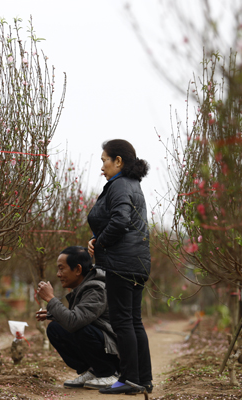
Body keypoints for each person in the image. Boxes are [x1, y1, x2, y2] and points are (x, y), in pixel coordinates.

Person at [87, 139, 153, 395]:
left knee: (123, 322)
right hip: (136, 262)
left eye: (104, 160)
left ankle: (128, 378)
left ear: (118, 161)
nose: (101, 166)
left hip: (121, 263)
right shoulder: (132, 185)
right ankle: (142, 380)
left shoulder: (120, 185)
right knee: (134, 322)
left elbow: (120, 221)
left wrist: (99, 244)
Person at [36, 246, 120, 390]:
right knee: (55, 328)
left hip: (112, 349)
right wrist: (53, 314)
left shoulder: (97, 289)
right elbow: (81, 316)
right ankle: (93, 370)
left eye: (62, 268)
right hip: (101, 341)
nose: (58, 274)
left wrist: (51, 299)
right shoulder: (85, 286)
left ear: (78, 270)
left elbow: (75, 321)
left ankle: (110, 373)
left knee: (80, 328)